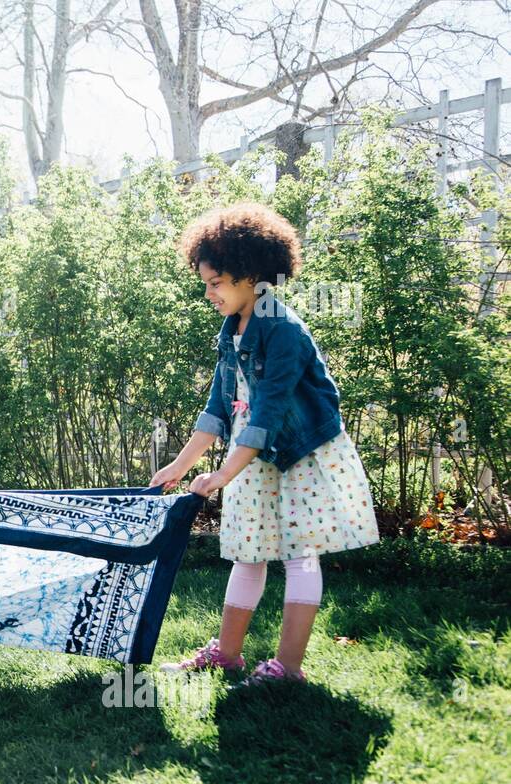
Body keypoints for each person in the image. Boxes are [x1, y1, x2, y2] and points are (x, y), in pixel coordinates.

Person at [151, 202, 379, 687]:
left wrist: (221, 475)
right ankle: (227, 655)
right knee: (247, 553)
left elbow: (271, 413)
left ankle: (287, 670)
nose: (208, 293)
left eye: (215, 283)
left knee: (299, 554)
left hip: (299, 453)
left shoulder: (283, 328)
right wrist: (180, 465)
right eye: (205, 283)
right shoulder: (232, 328)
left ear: (251, 275)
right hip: (250, 453)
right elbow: (217, 408)